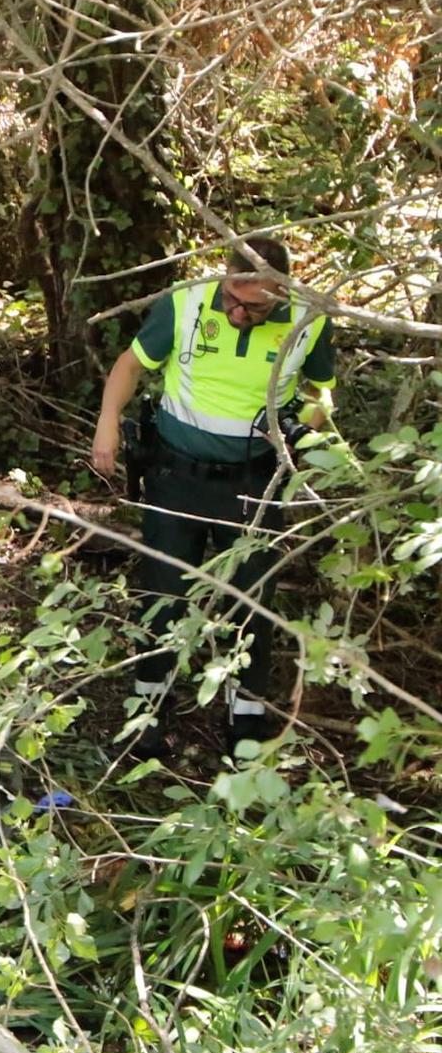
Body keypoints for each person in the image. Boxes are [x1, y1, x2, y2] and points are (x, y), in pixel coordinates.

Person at [90, 233, 335, 754]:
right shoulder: (187, 302)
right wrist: (107, 423)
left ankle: (243, 716)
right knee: (163, 594)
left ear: (282, 292)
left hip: (253, 483)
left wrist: (304, 423)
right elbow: (130, 366)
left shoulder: (308, 322)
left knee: (250, 598)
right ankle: (148, 712)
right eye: (231, 298)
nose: (238, 311)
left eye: (253, 305)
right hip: (176, 477)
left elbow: (323, 393)